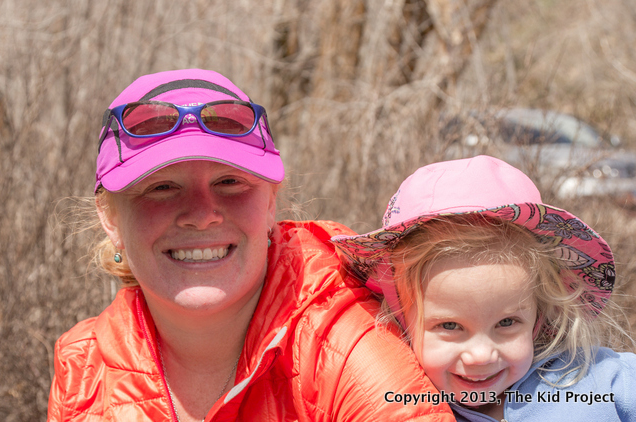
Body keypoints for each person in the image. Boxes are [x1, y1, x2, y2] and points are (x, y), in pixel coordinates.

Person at [46, 69, 455, 421]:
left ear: (271, 202)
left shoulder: (342, 346)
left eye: (229, 182)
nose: (202, 214)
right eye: (162, 187)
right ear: (110, 217)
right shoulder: (83, 368)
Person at [331, 155, 636, 421]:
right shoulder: (399, 405)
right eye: (450, 325)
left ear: (539, 313)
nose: (481, 355)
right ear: (401, 316)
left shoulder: (600, 382)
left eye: (506, 323)